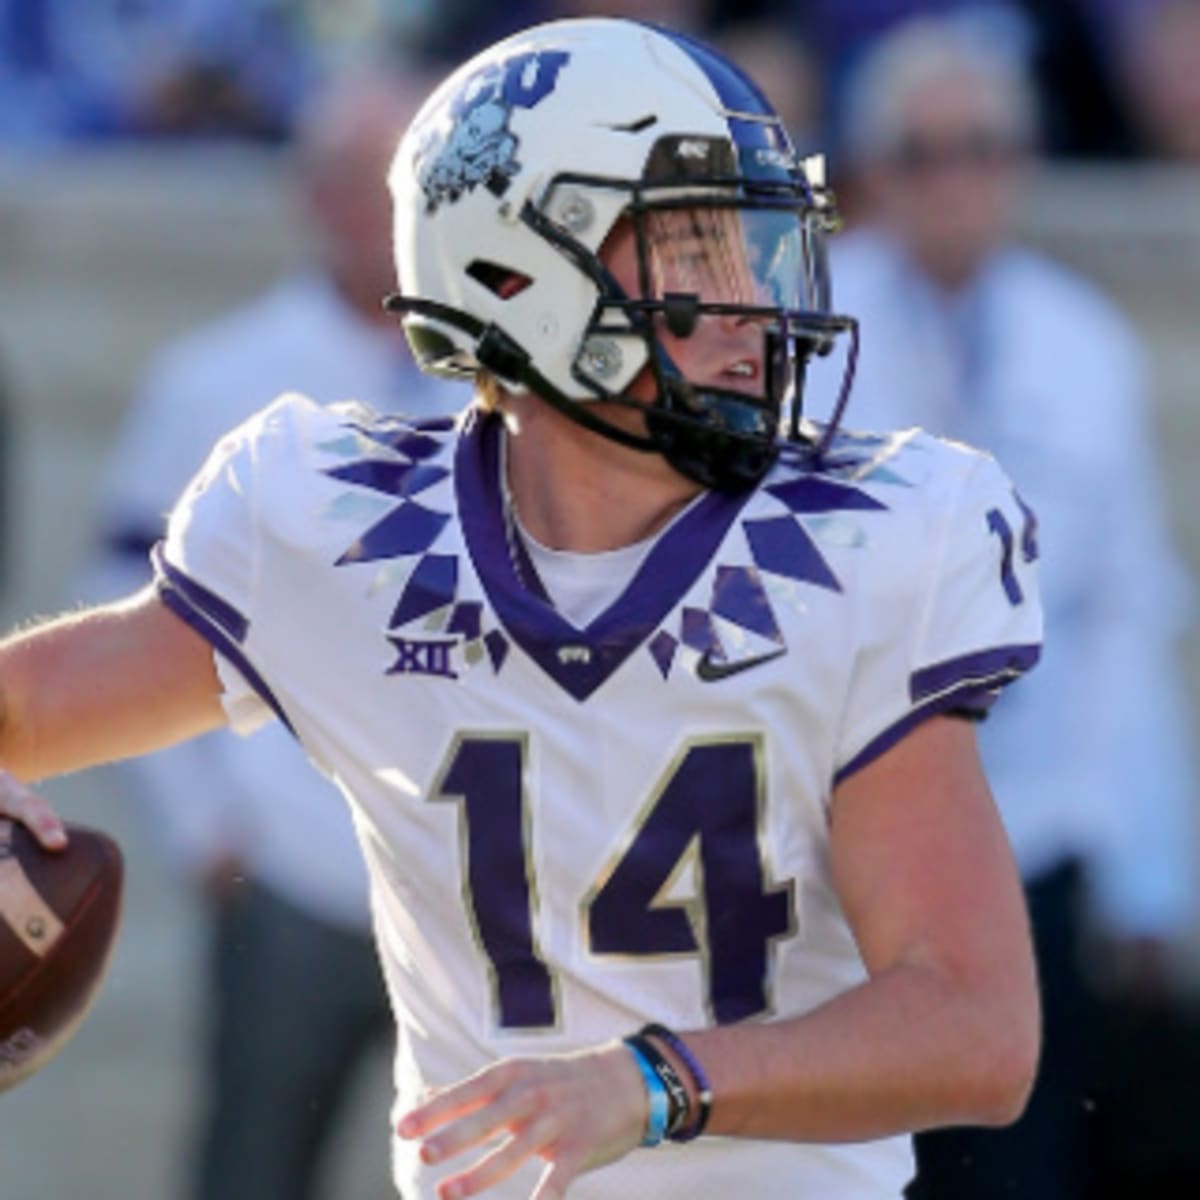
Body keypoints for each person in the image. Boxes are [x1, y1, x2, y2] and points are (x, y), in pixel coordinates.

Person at [1, 18, 1043, 1200]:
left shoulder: (864, 542)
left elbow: (974, 1027)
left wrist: (652, 1085)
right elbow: (28, 708)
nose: (753, 300)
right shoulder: (338, 523)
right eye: (698, 250)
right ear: (519, 274)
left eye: (757, 245)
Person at [806, 17, 1197, 1199]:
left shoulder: (1080, 343)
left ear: (1017, 162)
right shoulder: (806, 337)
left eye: (980, 148)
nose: (955, 180)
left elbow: (1128, 608)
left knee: (1024, 1157)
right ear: (879, 171)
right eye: (923, 154)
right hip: (850, 835)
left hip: (1040, 817)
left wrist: (1149, 867)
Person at [81, 70, 468, 1200]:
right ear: (311, 195)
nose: (380, 212)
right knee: (251, 1172)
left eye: (405, 184)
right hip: (291, 873)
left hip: (477, 894)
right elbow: (119, 613)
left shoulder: (520, 384)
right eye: (355, 179)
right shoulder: (222, 379)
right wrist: (208, 828)